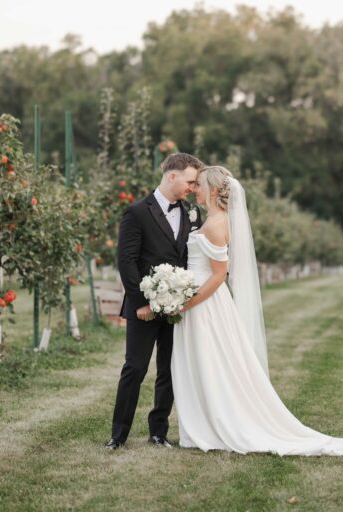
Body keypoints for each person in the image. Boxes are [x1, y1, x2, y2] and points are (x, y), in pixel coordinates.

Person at [171, 165, 343, 456]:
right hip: (201, 300)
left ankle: (215, 424)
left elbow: (217, 276)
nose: (194, 189)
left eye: (198, 184)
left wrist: (186, 302)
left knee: (211, 362)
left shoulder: (215, 224)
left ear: (213, 190)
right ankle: (204, 423)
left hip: (206, 304)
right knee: (204, 362)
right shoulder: (211, 218)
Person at [106, 153, 204, 450]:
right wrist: (140, 303)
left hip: (179, 308)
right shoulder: (136, 212)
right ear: (172, 176)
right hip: (144, 306)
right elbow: (127, 262)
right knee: (135, 368)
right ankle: (118, 435)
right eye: (190, 181)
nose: (193, 187)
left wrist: (185, 298)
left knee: (170, 369)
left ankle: (158, 431)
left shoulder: (192, 213)